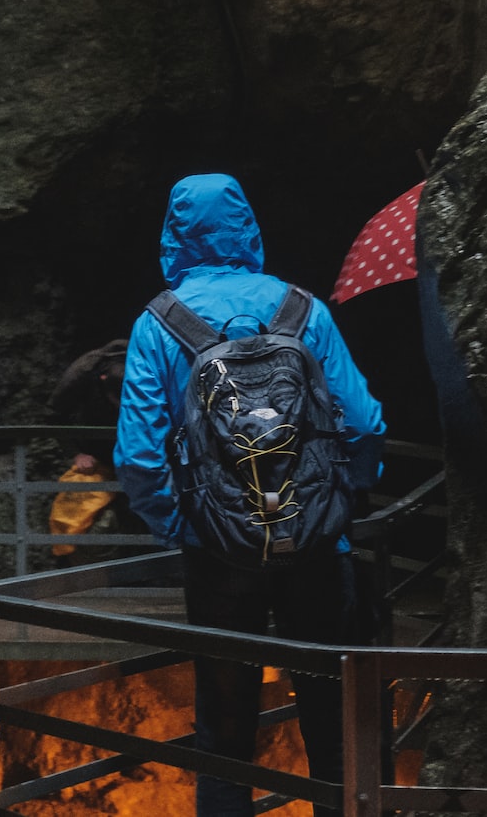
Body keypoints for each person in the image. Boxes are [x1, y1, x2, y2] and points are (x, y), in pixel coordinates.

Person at [114, 173, 386, 817]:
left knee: (225, 725)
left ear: (174, 235)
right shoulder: (302, 311)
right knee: (332, 715)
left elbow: (140, 457)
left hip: (219, 555)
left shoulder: (159, 325)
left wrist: (184, 527)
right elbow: (367, 424)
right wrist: (341, 501)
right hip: (319, 547)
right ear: (249, 228)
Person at [47, 339, 133, 566]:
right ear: (103, 381)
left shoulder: (143, 364)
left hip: (131, 446)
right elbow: (54, 415)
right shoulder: (83, 372)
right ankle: (70, 567)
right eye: (115, 401)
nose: (118, 406)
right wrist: (75, 453)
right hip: (93, 452)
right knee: (78, 513)